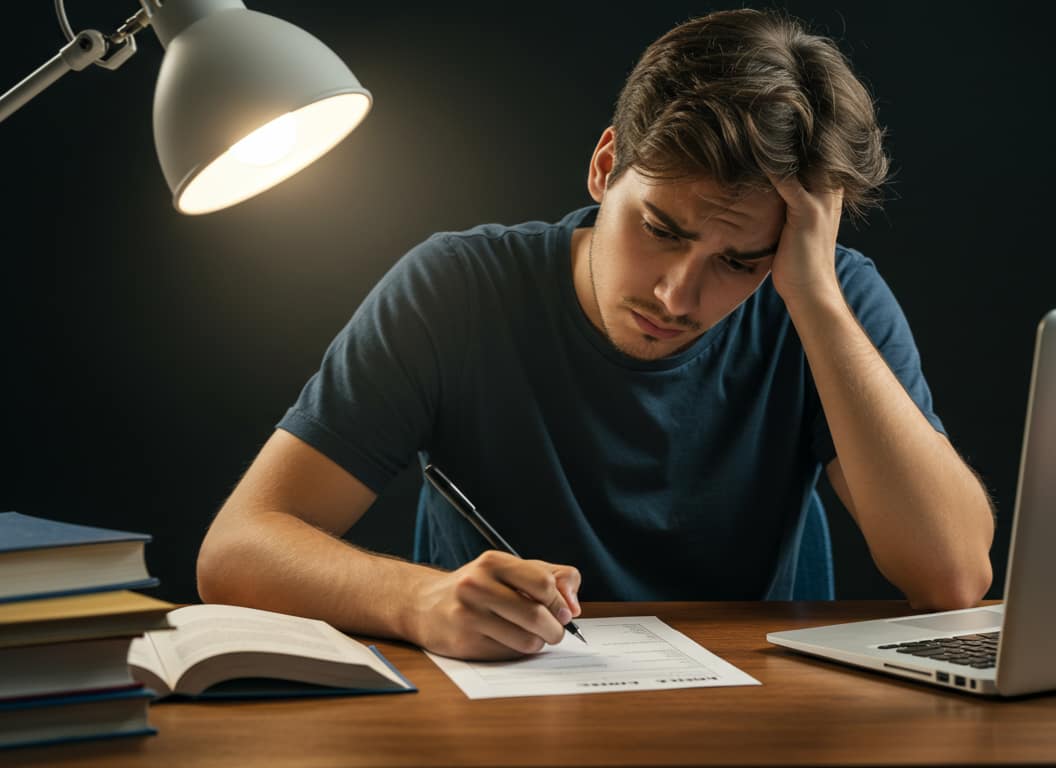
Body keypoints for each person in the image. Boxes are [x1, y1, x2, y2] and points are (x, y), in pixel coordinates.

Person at [196, 8, 995, 661]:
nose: (678, 296)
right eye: (661, 228)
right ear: (605, 165)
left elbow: (953, 578)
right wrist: (417, 598)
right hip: (493, 711)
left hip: (762, 718)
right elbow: (236, 550)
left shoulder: (833, 296)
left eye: (740, 261)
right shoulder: (455, 290)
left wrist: (814, 297)